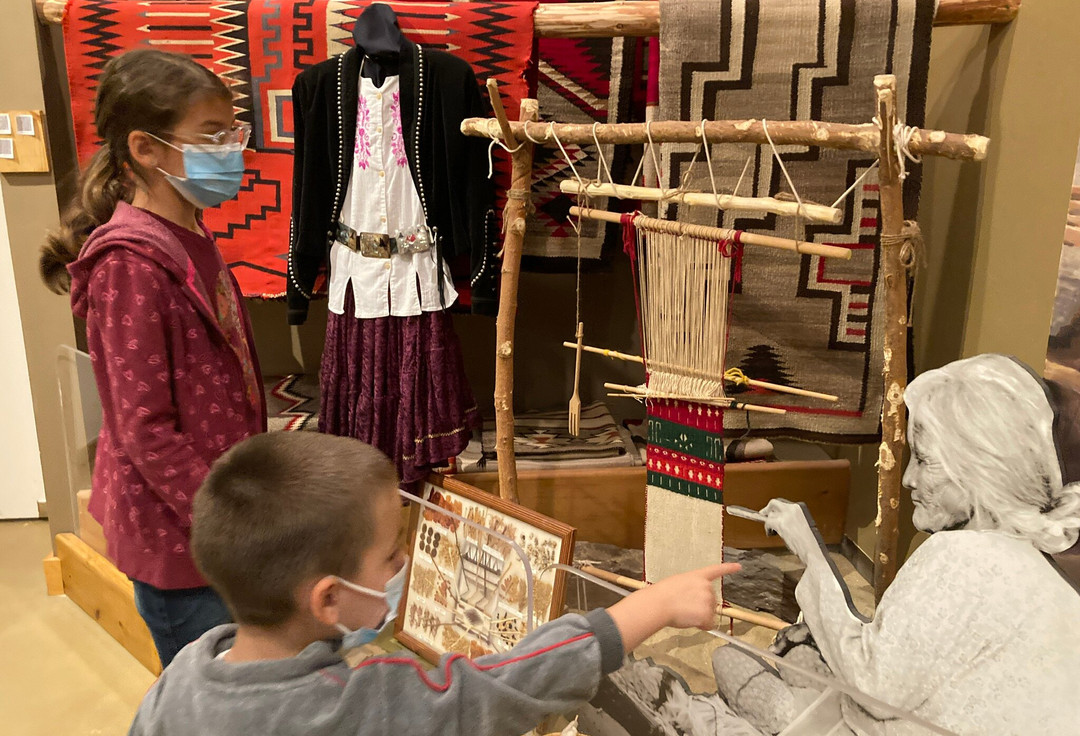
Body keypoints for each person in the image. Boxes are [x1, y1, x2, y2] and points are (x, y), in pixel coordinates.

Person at [127, 431, 740, 735]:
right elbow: (503, 685)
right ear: (328, 597)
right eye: (390, 555)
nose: (402, 567)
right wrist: (653, 604)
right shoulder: (359, 703)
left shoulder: (180, 677)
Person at [712, 353, 1080, 735]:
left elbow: (873, 685)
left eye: (923, 460)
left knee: (730, 660)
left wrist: (810, 549)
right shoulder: (1031, 558)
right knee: (803, 650)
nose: (907, 479)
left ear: (977, 468)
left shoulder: (962, 556)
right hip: (921, 710)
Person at [40, 49, 266, 668]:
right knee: (206, 704)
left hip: (216, 527)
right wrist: (227, 523)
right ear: (146, 148)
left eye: (233, 133)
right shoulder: (131, 265)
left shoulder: (190, 235)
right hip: (181, 540)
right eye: (211, 136)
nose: (231, 150)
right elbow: (146, 430)